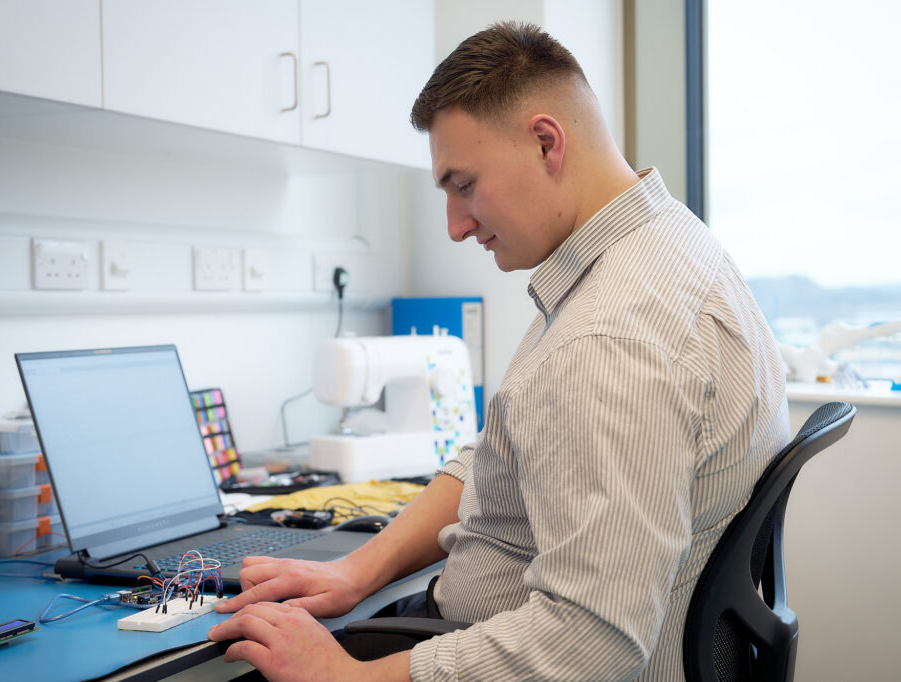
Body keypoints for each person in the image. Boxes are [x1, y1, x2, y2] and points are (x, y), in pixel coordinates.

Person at [207, 21, 790, 681]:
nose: (455, 227)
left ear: (546, 141)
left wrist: (345, 677)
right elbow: (499, 451)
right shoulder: (666, 243)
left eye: (463, 184)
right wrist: (354, 569)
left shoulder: (609, 337)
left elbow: (589, 644)